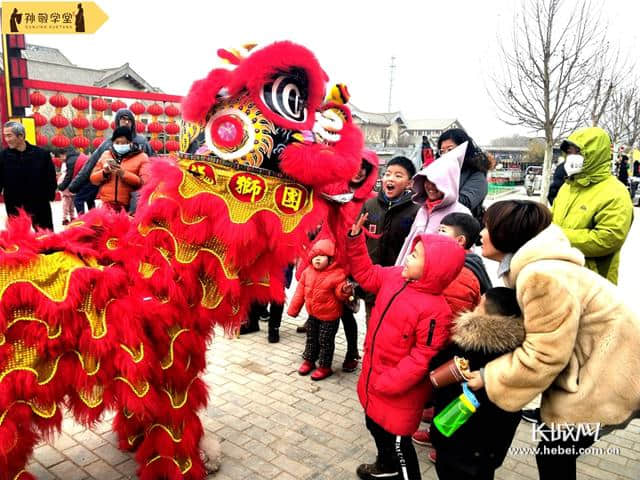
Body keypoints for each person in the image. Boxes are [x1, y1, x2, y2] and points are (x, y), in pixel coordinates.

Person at [465, 200, 640, 480]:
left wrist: (490, 375)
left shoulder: (540, 277)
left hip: (611, 375)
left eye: (487, 227)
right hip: (606, 365)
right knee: (555, 451)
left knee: (554, 451)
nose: (481, 233)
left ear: (506, 233)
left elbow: (545, 353)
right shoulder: (539, 268)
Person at [348, 213, 465, 480]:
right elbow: (366, 274)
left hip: (399, 391)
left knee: (401, 446)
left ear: (433, 269)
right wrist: (355, 240)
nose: (408, 257)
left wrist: (390, 382)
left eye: (415, 255)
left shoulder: (436, 310)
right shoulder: (394, 278)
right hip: (374, 378)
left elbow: (423, 357)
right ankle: (384, 466)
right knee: (374, 425)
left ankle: (397, 469)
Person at [411, 212, 491, 448]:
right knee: (445, 392)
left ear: (460, 242)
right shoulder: (464, 264)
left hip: (453, 347)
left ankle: (442, 442)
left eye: (442, 231)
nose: (436, 234)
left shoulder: (459, 272)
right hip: (455, 345)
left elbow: (449, 315)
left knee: (453, 395)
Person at [429, 287, 524, 480]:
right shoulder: (522, 355)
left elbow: (436, 369)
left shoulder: (468, 342)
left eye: (479, 304)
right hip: (490, 449)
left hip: (456, 438)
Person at [551, 127, 633, 284]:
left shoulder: (615, 192)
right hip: (560, 276)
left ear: (595, 155)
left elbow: (608, 238)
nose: (571, 157)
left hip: (593, 285)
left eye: (578, 152)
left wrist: (557, 237)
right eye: (569, 152)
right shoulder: (568, 187)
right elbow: (551, 219)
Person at [395, 142, 470, 266]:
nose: (430, 186)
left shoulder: (461, 214)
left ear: (449, 182)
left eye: (437, 182)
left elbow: (465, 256)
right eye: (427, 180)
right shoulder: (423, 210)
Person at [287, 238, 350, 381]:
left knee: (325, 341)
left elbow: (340, 294)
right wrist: (293, 310)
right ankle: (309, 360)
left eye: (321, 257)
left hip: (330, 316)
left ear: (330, 259)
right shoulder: (307, 272)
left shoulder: (337, 274)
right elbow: (299, 292)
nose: (317, 260)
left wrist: (344, 291)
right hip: (313, 314)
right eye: (315, 256)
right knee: (311, 338)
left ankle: (324, 366)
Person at [70, 108, 154, 214]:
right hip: (109, 203)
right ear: (117, 122)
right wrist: (75, 185)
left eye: (129, 120)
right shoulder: (108, 144)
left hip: (133, 202)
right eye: (123, 119)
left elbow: (153, 164)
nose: (126, 122)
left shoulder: (142, 143)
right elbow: (90, 164)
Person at [0, 121, 57, 230]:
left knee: (45, 236)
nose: (6, 140)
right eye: (5, 136)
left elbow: (50, 178)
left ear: (21, 135)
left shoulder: (41, 155)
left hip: (39, 203)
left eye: (9, 135)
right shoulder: (2, 157)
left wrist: (49, 195)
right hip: (15, 205)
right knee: (18, 239)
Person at [89, 126, 149, 212]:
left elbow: (144, 183)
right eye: (117, 142)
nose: (120, 145)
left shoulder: (142, 157)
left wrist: (124, 174)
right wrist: (104, 172)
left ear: (130, 142)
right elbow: (93, 179)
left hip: (128, 207)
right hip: (106, 205)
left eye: (124, 143)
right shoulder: (106, 155)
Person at [436, 129, 489, 222]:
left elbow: (465, 203)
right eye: (442, 151)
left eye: (450, 149)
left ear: (464, 148)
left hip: (462, 228)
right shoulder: (438, 170)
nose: (445, 154)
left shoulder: (477, 174)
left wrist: (435, 192)